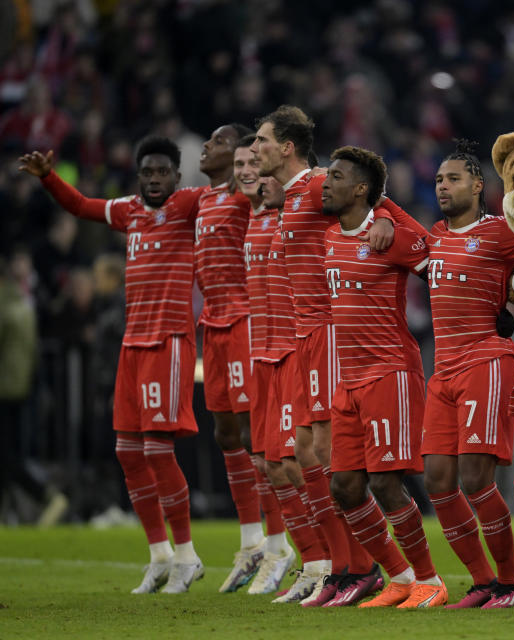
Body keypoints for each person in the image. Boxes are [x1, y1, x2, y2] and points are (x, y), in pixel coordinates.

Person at [19, 138, 205, 594]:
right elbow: (80, 205)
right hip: (133, 344)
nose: (155, 179)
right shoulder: (129, 210)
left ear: (176, 178)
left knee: (159, 451)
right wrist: (48, 177)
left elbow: (229, 195)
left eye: (163, 172)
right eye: (148, 172)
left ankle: (187, 555)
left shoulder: (188, 205)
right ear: (139, 176)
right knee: (127, 451)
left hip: (169, 342)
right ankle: (159, 554)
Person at [251, 106, 412, 606]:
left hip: (329, 331)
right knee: (305, 455)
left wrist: (384, 215)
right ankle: (339, 568)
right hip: (303, 336)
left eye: (260, 141)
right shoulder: (288, 196)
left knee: (326, 454)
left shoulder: (323, 181)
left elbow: (379, 200)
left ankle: (361, 568)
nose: (254, 149)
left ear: (286, 147)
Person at [321, 145, 448, 609]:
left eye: (335, 176)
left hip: (388, 371)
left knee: (385, 484)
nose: (325, 183)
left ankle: (430, 580)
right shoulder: (330, 232)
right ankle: (397, 576)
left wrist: (389, 214)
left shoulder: (389, 237)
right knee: (344, 487)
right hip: (347, 377)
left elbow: (435, 260)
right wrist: (384, 211)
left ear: (360, 190)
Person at [422, 140, 514, 608]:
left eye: (454, 178)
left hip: (486, 359)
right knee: (438, 481)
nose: (443, 186)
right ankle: (482, 580)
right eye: (440, 179)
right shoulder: (434, 236)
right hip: (443, 371)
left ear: (478, 185)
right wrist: (383, 216)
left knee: (474, 478)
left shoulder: (503, 231)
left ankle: (508, 582)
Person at [193, 122, 268, 593]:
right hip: (213, 326)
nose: (207, 146)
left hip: (244, 320)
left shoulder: (249, 199)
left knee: (253, 434)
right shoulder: (199, 200)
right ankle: (252, 541)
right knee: (224, 433)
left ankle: (279, 547)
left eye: (219, 142)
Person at [230, 135, 297, 595]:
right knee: (263, 460)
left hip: (294, 353)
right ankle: (286, 553)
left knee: (297, 464)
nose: (248, 170)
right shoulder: (249, 218)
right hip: (260, 354)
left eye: (256, 161)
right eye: (241, 163)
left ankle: (324, 561)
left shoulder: (293, 213)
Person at [0, 255, 67, 526]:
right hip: (19, 387)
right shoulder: (21, 301)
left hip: (0, 387)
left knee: (4, 455)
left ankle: (45, 495)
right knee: (3, 454)